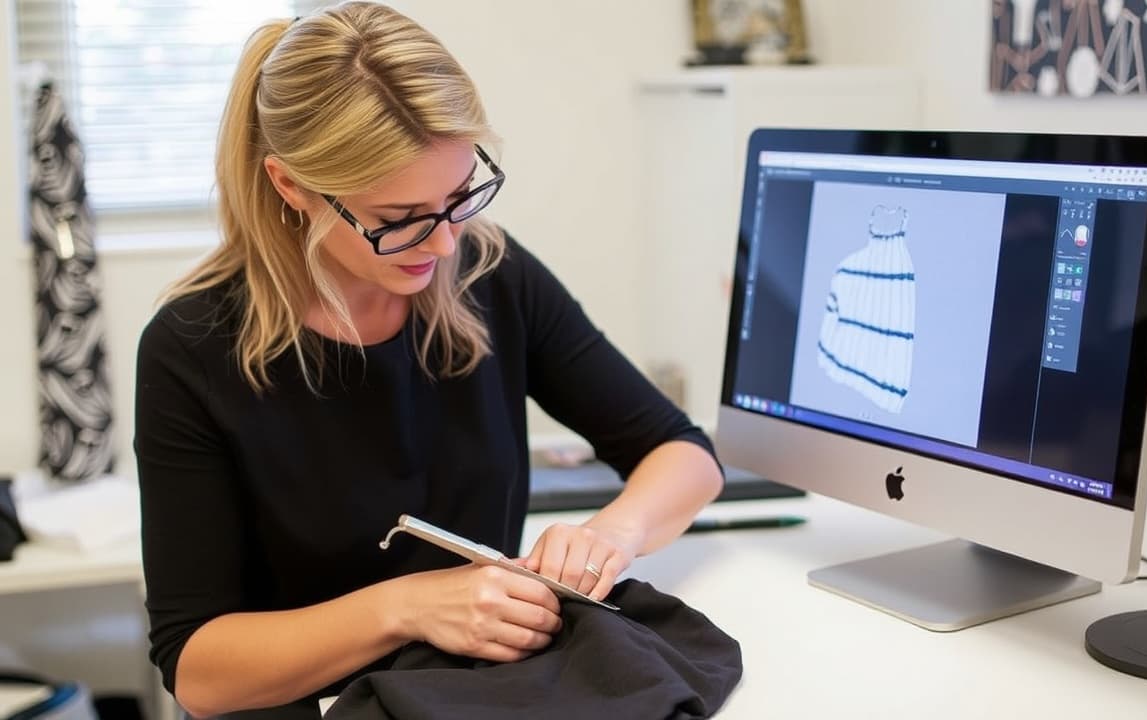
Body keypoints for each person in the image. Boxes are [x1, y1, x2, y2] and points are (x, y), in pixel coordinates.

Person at [133, 3, 724, 717]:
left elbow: (682, 454)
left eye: (458, 196)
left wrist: (609, 537)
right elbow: (198, 669)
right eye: (399, 220)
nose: (443, 244)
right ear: (290, 187)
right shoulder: (192, 347)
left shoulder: (490, 277)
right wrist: (408, 607)